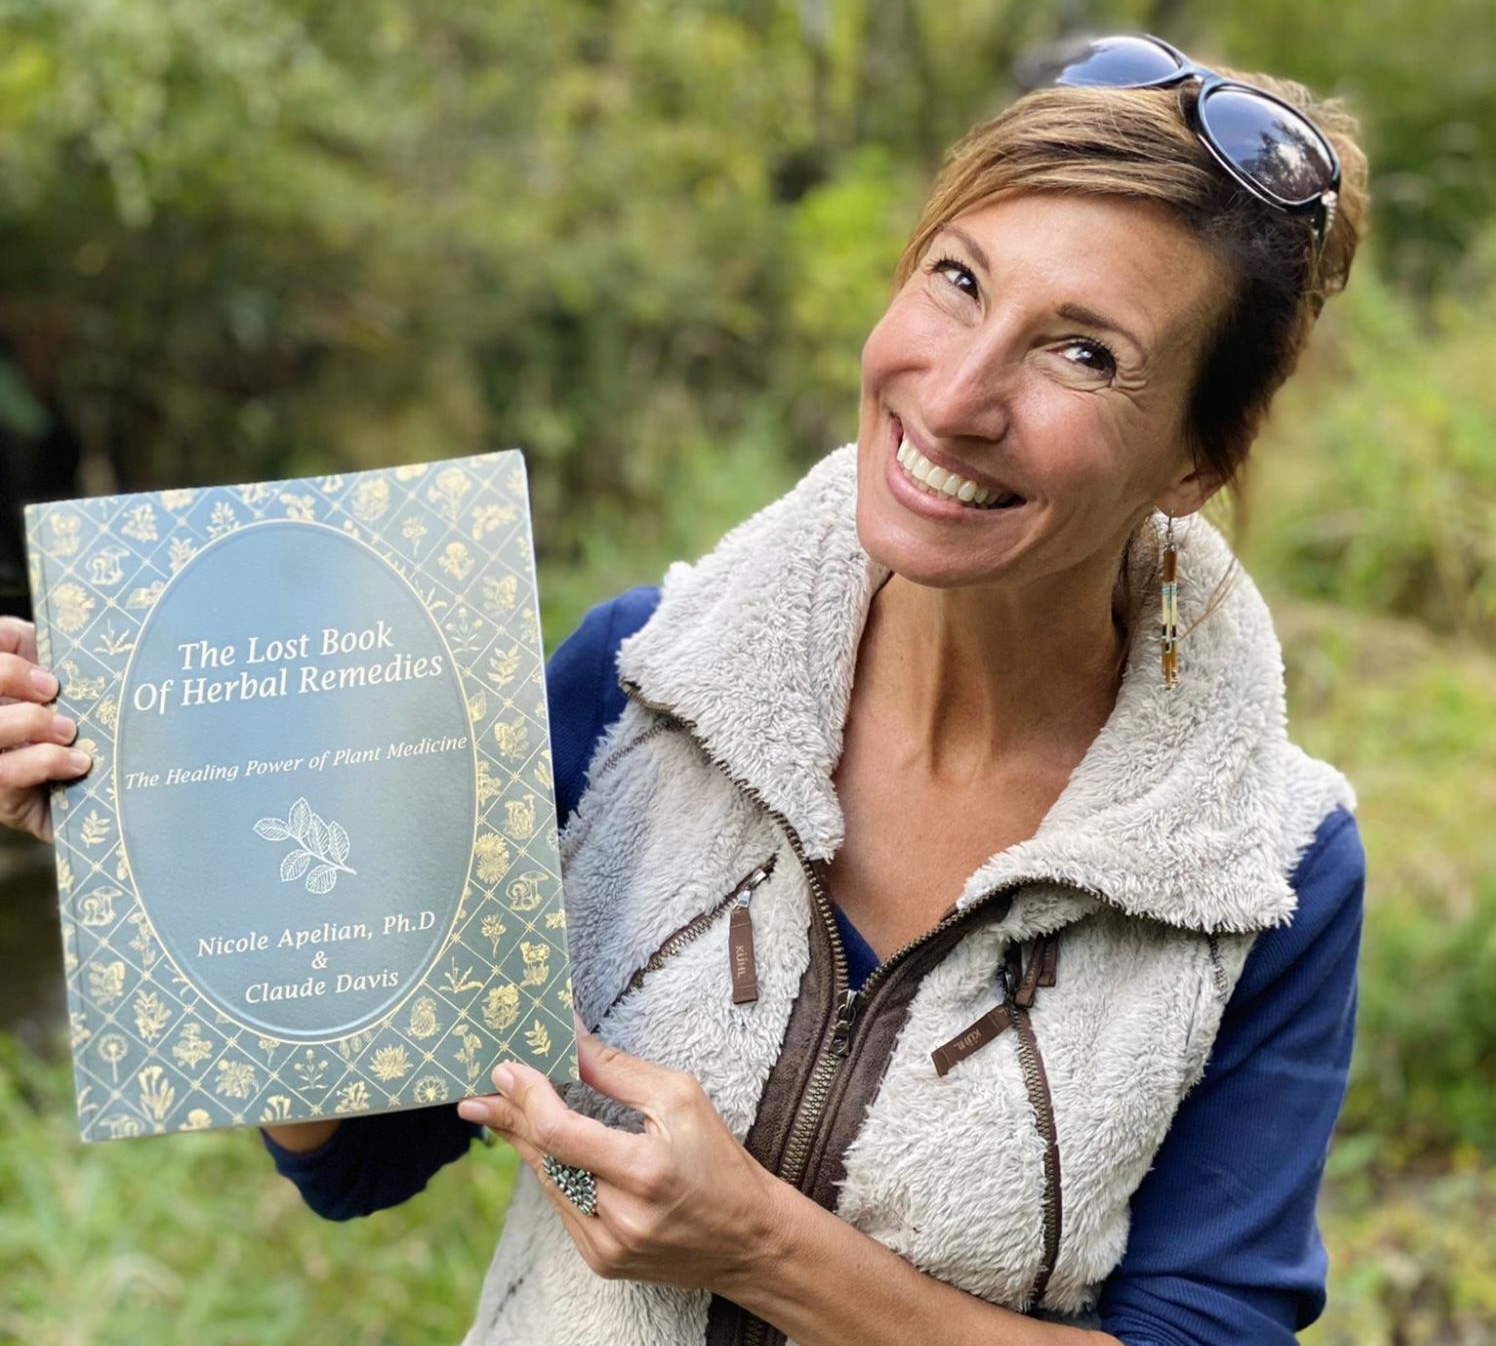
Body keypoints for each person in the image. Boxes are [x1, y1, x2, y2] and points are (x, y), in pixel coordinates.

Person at [1, 34, 1369, 1346]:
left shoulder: (1264, 873)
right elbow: (361, 1148)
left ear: (1199, 458)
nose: (953, 396)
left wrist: (761, 1245)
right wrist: (175, 833)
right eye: (958, 279)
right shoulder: (638, 683)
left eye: (1084, 352)